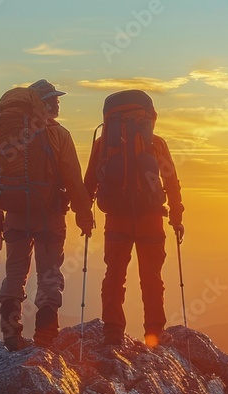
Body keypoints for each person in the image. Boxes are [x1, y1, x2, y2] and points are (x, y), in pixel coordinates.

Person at [0, 79, 94, 350]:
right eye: (53, 98)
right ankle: (46, 337)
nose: (58, 101)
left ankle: (11, 335)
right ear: (43, 104)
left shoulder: (11, 131)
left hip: (15, 213)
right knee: (49, 274)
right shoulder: (58, 134)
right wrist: (84, 215)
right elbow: (73, 178)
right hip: (49, 215)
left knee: (15, 272)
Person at [84, 91, 184, 348]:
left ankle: (113, 333)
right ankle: (154, 332)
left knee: (114, 276)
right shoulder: (156, 144)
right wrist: (176, 214)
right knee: (151, 277)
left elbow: (90, 183)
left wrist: (84, 216)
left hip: (117, 220)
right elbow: (171, 181)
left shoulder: (105, 144)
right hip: (150, 219)